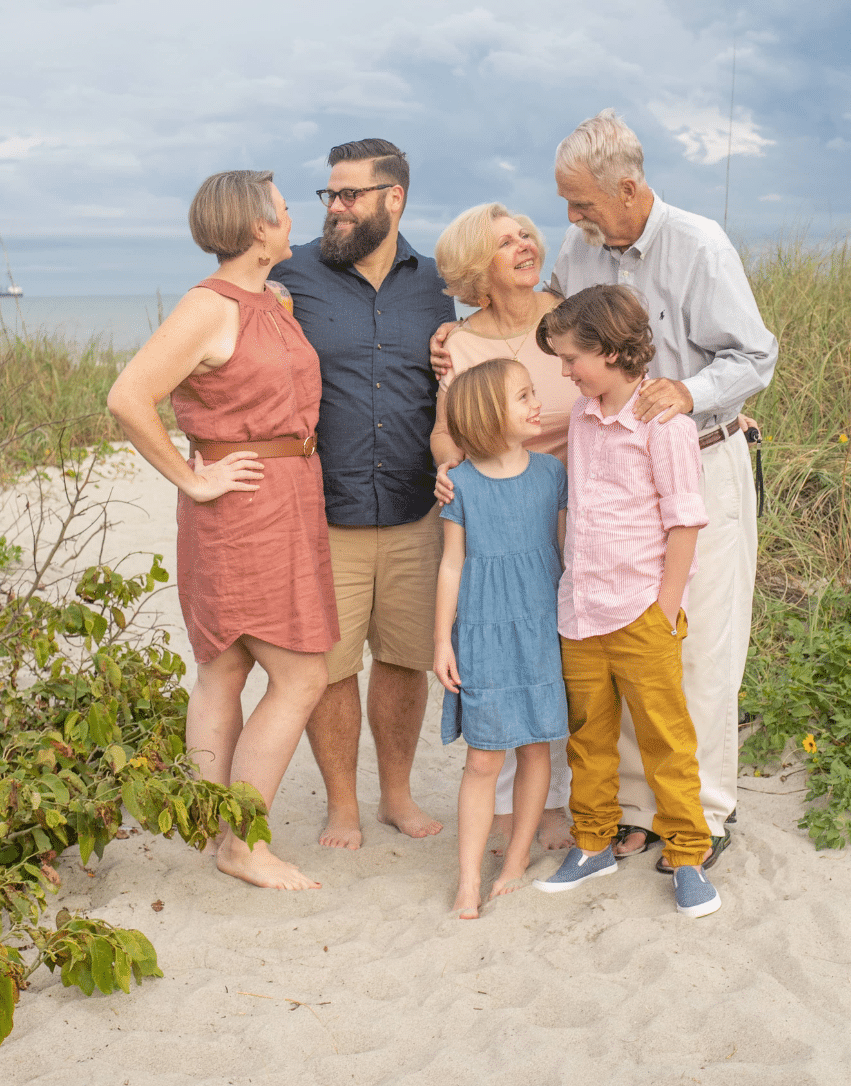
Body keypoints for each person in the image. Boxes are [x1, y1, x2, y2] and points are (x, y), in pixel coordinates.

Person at [548, 110, 777, 871]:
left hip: (700, 457)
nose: (572, 217)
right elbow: (545, 326)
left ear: (629, 186)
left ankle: (706, 815)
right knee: (625, 639)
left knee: (699, 641)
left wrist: (688, 390)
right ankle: (642, 812)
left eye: (581, 202)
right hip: (614, 474)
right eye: (567, 203)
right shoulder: (576, 251)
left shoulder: (699, 244)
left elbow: (754, 355)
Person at [107, 170, 338, 891]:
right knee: (299, 674)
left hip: (287, 493)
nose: (291, 215)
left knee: (228, 667)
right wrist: (192, 475)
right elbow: (127, 396)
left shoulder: (269, 299)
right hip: (244, 504)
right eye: (281, 209)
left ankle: (216, 827)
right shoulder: (208, 307)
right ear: (256, 227)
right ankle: (244, 841)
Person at [270, 138, 456, 849]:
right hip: (324, 509)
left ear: (393, 199)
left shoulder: (440, 285)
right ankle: (342, 804)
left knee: (406, 659)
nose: (335, 208)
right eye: (329, 196)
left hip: (418, 509)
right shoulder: (289, 280)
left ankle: (397, 795)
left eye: (349, 195)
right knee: (332, 667)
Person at [531, 287, 719, 917]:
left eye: (570, 359)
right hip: (580, 608)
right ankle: (593, 843)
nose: (564, 372)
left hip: (641, 609)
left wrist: (664, 607)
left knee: (667, 737)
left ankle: (690, 854)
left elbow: (685, 521)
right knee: (588, 736)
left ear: (610, 351)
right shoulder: (583, 418)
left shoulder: (664, 422)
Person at [431, 201, 579, 853]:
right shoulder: (458, 343)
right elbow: (445, 429)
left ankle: (584, 801)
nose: (524, 246)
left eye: (526, 235)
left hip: (581, 497)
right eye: (505, 242)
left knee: (574, 651)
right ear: (475, 267)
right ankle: (533, 808)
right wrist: (447, 470)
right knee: (518, 644)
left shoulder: (573, 315)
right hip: (499, 506)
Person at [433, 359, 569, 918]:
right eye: (524, 397)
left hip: (539, 626)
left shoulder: (551, 473)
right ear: (490, 414)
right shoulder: (459, 484)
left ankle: (515, 859)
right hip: (483, 631)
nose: (537, 404)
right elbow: (450, 566)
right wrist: (442, 641)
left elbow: (565, 553)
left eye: (534, 393)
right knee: (483, 760)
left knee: (537, 745)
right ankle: (468, 878)